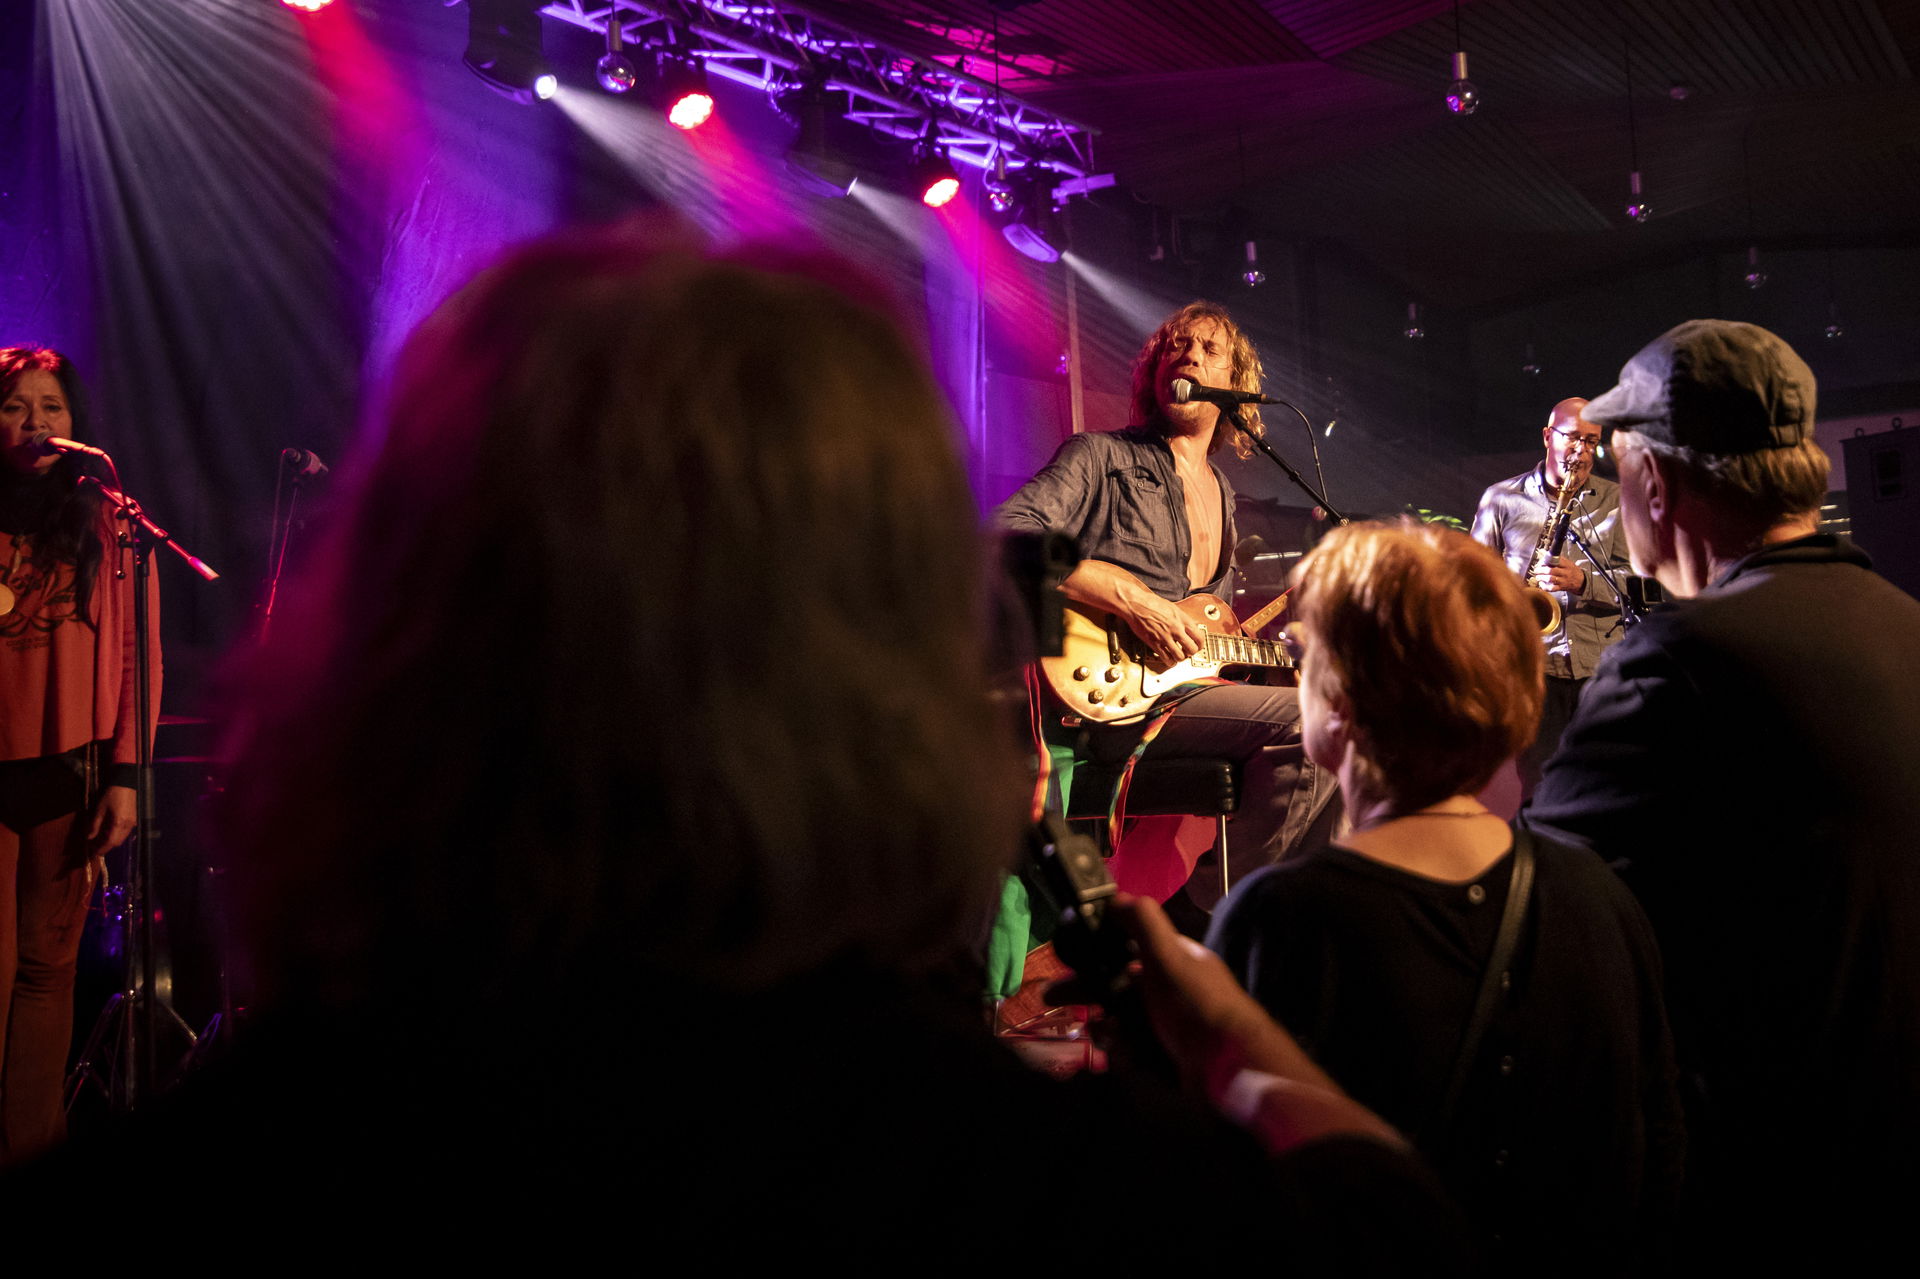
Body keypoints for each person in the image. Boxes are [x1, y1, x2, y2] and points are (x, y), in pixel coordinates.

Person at [7, 223, 1471, 1265]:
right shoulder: (1047, 1192)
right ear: (885, 677)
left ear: (382, 653)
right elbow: (1393, 1236)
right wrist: (1220, 1020)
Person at [1526, 319, 1920, 1262]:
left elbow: (1533, 927)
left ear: (1653, 485)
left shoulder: (1682, 665)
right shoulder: (1908, 626)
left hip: (1770, 1197)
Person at [1207, 520, 1683, 1273]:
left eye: (1307, 663)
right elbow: (1658, 1166)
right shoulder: (1601, 897)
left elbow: (1227, 1218)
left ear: (1341, 710)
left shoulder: (1282, 920)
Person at [996, 303, 1335, 922]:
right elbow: (1008, 534)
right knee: (1321, 720)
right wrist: (1129, 596)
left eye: (1209, 351)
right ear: (1154, 373)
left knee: (1343, 712)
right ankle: (1209, 917)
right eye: (1176, 348)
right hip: (1103, 690)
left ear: (1237, 386)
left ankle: (1286, 925)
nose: (1189, 357)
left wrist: (1281, 654)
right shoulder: (1100, 456)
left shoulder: (1224, 493)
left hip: (1181, 690)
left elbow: (1207, 626)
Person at [0, 347, 156, 1164]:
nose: (35, 423)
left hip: (69, 777)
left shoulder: (109, 518)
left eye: (50, 406)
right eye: (16, 406)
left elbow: (135, 658)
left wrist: (126, 778)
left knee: (46, 979)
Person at [1469, 397, 1629, 798]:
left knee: (1608, 785)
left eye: (1592, 441)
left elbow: (1644, 581)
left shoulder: (1618, 501)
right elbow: (1473, 584)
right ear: (1547, 437)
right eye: (1574, 438)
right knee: (1541, 789)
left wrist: (1584, 581)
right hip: (1536, 670)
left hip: (1603, 669)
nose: (1582, 451)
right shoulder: (1501, 499)